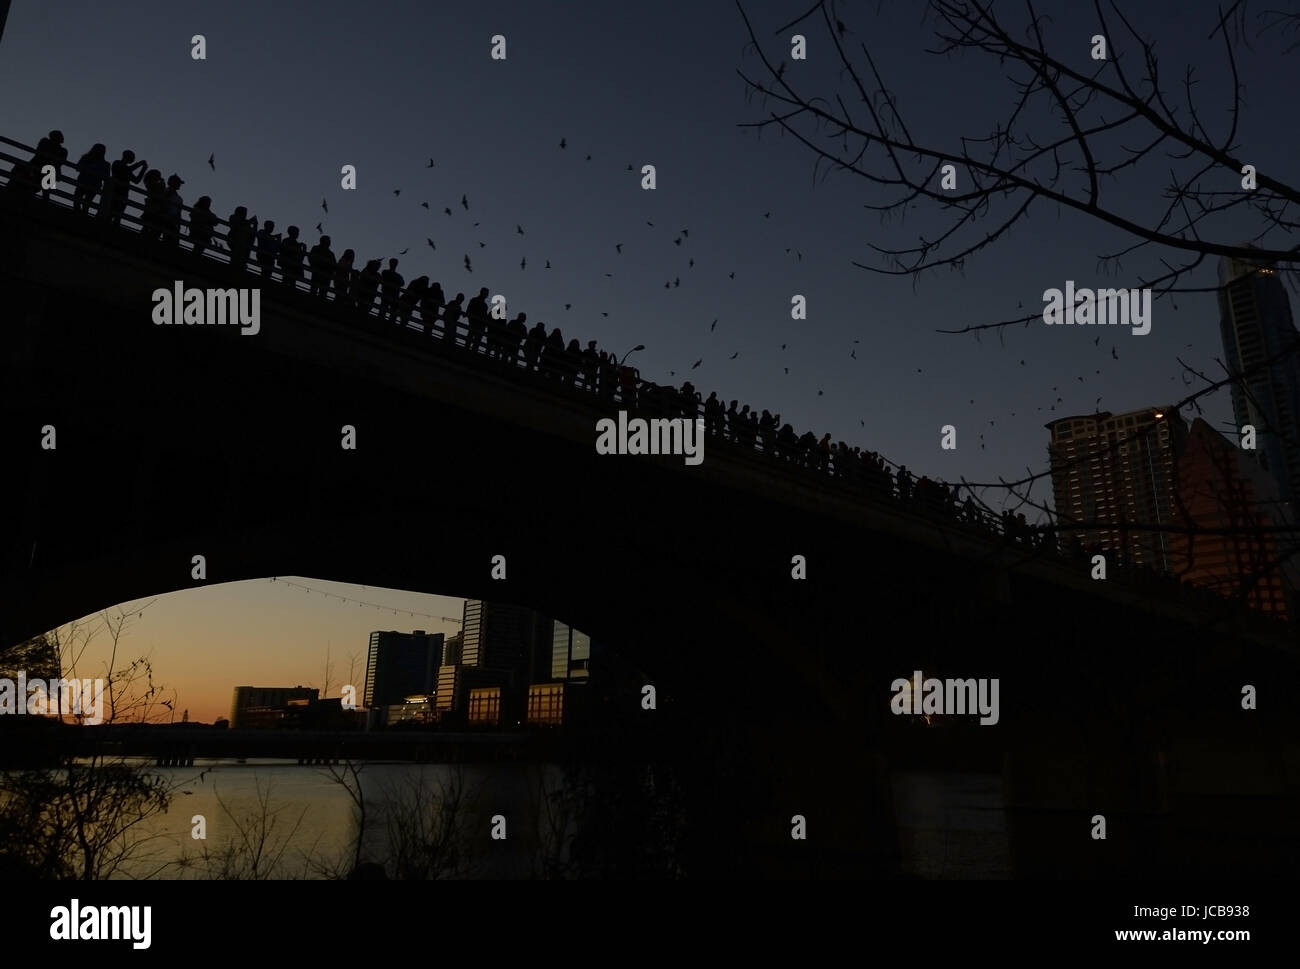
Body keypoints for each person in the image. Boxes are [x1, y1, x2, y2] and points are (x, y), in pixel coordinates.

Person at [101, 149, 148, 224]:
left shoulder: (125, 169)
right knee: (110, 213)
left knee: (117, 215)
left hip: (123, 194)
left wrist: (143, 169)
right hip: (115, 192)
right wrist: (140, 165)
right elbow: (127, 171)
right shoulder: (117, 163)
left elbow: (136, 180)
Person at [72, 143, 109, 215]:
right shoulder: (104, 163)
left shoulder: (87, 158)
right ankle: (80, 214)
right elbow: (78, 168)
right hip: (87, 182)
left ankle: (79, 214)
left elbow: (106, 177)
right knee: (81, 200)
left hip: (90, 183)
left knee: (82, 200)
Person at [31, 130, 67, 200]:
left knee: (40, 188)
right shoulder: (61, 150)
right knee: (39, 188)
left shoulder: (62, 150)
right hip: (43, 168)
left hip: (45, 168)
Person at [225, 206, 256, 273]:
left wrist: (255, 225)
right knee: (235, 256)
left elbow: (252, 234)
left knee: (242, 258)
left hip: (244, 244)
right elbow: (236, 225)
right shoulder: (234, 217)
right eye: (244, 212)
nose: (245, 214)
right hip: (235, 240)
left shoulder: (247, 223)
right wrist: (250, 221)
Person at [162, 174, 185, 245]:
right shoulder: (164, 191)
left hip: (173, 221)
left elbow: (179, 212)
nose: (179, 185)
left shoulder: (179, 198)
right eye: (178, 183)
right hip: (166, 219)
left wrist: (178, 224)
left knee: (172, 240)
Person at [465, 287, 490, 352]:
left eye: (486, 294)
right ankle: (467, 350)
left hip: (480, 325)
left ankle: (472, 351)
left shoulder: (484, 305)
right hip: (474, 323)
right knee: (471, 337)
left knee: (476, 340)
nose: (486, 295)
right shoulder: (475, 300)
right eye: (485, 293)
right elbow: (469, 310)